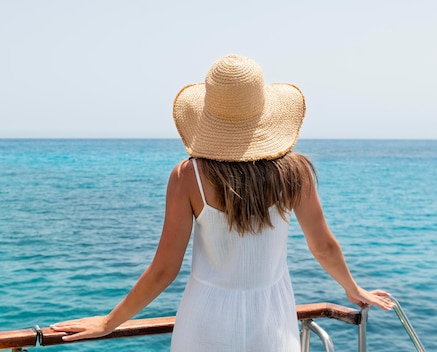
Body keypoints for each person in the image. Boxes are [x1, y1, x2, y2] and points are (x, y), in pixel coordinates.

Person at [51, 54, 393, 351]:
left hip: (206, 320)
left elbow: (164, 270)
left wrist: (110, 322)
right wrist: (353, 288)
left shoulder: (190, 176)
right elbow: (323, 247)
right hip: (272, 320)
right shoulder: (295, 172)